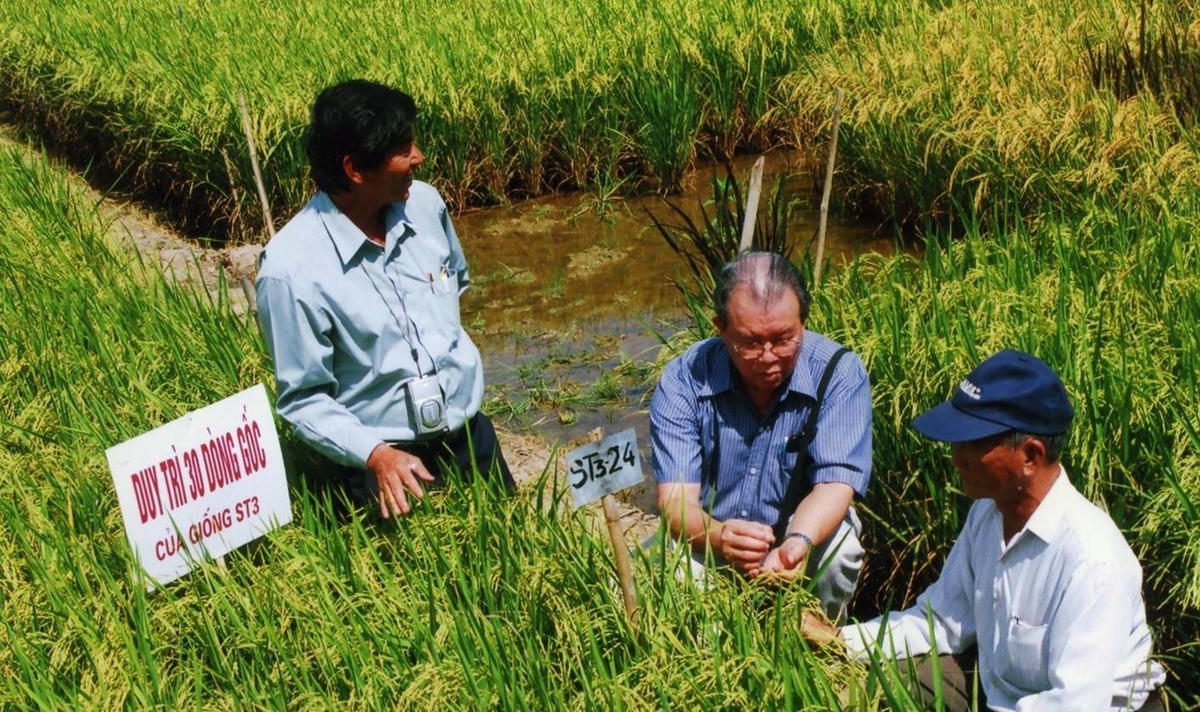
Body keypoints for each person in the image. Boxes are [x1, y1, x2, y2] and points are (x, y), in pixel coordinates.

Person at [810, 350, 1166, 711]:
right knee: (869, 684)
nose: (955, 457)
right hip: (1000, 696)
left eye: (973, 443)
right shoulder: (987, 513)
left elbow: (1075, 703)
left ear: (1031, 454)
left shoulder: (1092, 560)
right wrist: (839, 641)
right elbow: (939, 623)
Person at [255, 79, 513, 519]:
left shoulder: (427, 206)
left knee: (512, 547)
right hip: (384, 469)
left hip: (472, 441)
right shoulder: (290, 272)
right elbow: (303, 399)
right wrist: (376, 455)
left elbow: (457, 287)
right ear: (355, 169)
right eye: (402, 148)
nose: (419, 157)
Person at [649, 251, 871, 621]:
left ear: (803, 322)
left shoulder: (838, 373)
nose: (768, 356)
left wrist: (796, 544)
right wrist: (721, 538)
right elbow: (674, 501)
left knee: (841, 550)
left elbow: (835, 484)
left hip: (803, 532)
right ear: (720, 329)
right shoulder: (685, 377)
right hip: (712, 533)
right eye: (750, 343)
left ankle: (816, 642)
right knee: (664, 572)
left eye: (784, 339)